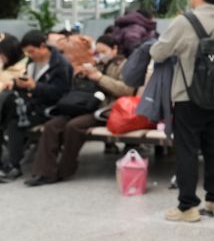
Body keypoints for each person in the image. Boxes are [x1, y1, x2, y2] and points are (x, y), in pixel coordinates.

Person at [150, 0, 214, 222]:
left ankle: (188, 206)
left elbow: (158, 52)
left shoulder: (184, 21)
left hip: (189, 96)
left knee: (187, 150)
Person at [27, 35, 134, 186]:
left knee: (74, 126)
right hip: (82, 106)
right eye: (97, 52)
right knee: (52, 126)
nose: (99, 55)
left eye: (103, 52)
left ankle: (65, 169)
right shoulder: (93, 64)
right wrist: (80, 75)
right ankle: (44, 172)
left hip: (105, 110)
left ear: (114, 49)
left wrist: (99, 78)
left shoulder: (124, 65)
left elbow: (127, 90)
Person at [0, 30, 73, 182]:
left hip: (50, 108)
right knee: (11, 112)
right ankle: (12, 165)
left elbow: (61, 93)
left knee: (14, 119)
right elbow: (26, 83)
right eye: (26, 52)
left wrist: (35, 86)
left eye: (31, 51)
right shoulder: (32, 62)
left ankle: (13, 165)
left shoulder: (60, 65)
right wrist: (15, 83)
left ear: (42, 46)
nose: (29, 55)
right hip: (31, 105)